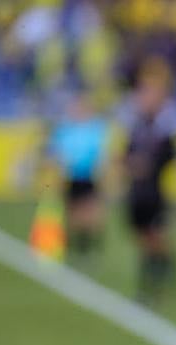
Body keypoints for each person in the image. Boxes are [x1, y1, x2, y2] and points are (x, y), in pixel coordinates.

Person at [123, 62, 176, 304]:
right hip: (138, 193)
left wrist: (148, 165)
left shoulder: (163, 128)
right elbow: (126, 153)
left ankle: (157, 284)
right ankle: (150, 286)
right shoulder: (138, 126)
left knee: (156, 239)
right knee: (143, 240)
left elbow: (171, 155)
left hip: (154, 193)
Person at [49, 91, 108, 255]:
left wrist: (101, 172)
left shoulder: (95, 128)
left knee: (90, 214)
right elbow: (57, 153)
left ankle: (89, 244)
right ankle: (75, 244)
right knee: (72, 214)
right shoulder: (65, 129)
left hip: (89, 176)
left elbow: (101, 153)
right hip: (70, 177)